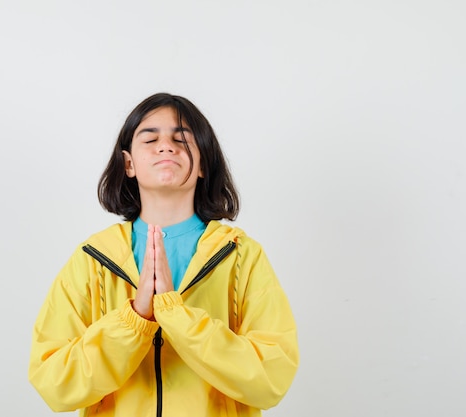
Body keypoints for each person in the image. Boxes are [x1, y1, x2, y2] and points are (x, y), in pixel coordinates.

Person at [28, 93, 299, 417]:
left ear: (203, 165)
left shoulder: (242, 256)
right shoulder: (92, 259)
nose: (166, 146)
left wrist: (176, 315)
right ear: (128, 163)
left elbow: (270, 379)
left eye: (181, 139)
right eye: (150, 138)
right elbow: (54, 383)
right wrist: (136, 319)